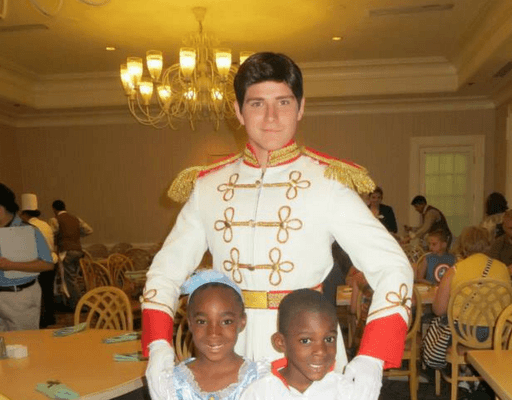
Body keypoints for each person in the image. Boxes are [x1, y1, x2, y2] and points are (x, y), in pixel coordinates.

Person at [142, 52, 413, 400]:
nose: (271, 117)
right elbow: (164, 273)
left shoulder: (328, 181)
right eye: (257, 103)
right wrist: (159, 347)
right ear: (238, 112)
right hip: (226, 354)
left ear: (301, 107)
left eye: (283, 102)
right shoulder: (207, 187)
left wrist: (373, 355)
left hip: (307, 355)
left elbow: (393, 267)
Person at [240, 289, 370, 400]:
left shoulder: (345, 391)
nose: (321, 351)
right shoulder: (260, 393)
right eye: (306, 341)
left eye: (329, 339)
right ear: (280, 342)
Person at [422, 226, 511, 369]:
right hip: (496, 332)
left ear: (463, 246)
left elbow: (438, 309)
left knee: (440, 321)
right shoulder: (503, 268)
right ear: (489, 243)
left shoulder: (455, 270)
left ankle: (458, 370)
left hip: (465, 333)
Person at [169, 270, 266, 400]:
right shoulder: (173, 382)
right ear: (190, 324)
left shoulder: (259, 381)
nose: (213, 333)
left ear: (242, 322)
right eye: (202, 322)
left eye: (226, 322)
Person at [0, 183, 54, 331]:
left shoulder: (28, 230)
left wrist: (11, 265)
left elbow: (48, 264)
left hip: (20, 296)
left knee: (25, 346)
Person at [20, 193, 58, 328]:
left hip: (39, 263)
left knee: (38, 294)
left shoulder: (26, 227)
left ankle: (41, 321)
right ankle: (50, 317)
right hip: (52, 261)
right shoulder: (46, 224)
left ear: (24, 214)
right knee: (48, 292)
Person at [49, 199, 93, 309]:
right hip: (78, 250)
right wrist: (76, 236)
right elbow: (89, 230)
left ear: (54, 209)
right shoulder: (75, 219)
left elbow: (50, 234)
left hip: (66, 251)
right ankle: (73, 302)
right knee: (73, 278)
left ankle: (79, 305)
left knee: (69, 279)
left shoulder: (55, 220)